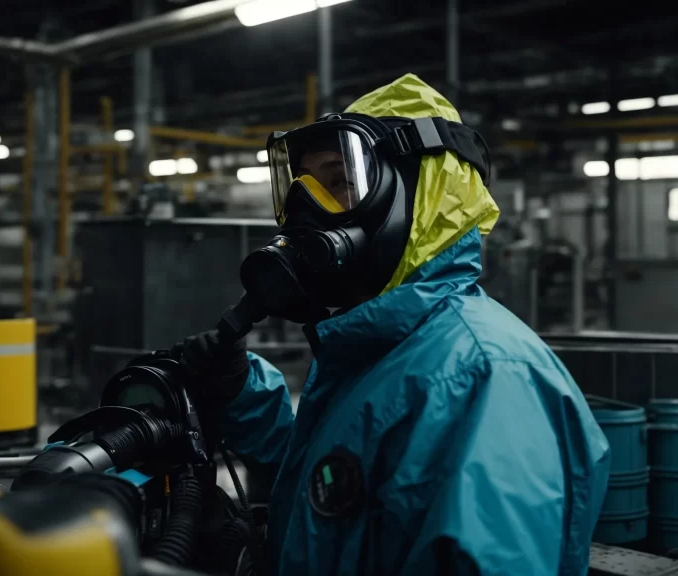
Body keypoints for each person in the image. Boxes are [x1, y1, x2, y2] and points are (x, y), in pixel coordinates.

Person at [175, 74, 611, 575]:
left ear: (423, 197)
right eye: (301, 186)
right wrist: (243, 398)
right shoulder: (379, 346)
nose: (306, 212)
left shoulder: (482, 381)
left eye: (339, 181)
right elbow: (337, 489)